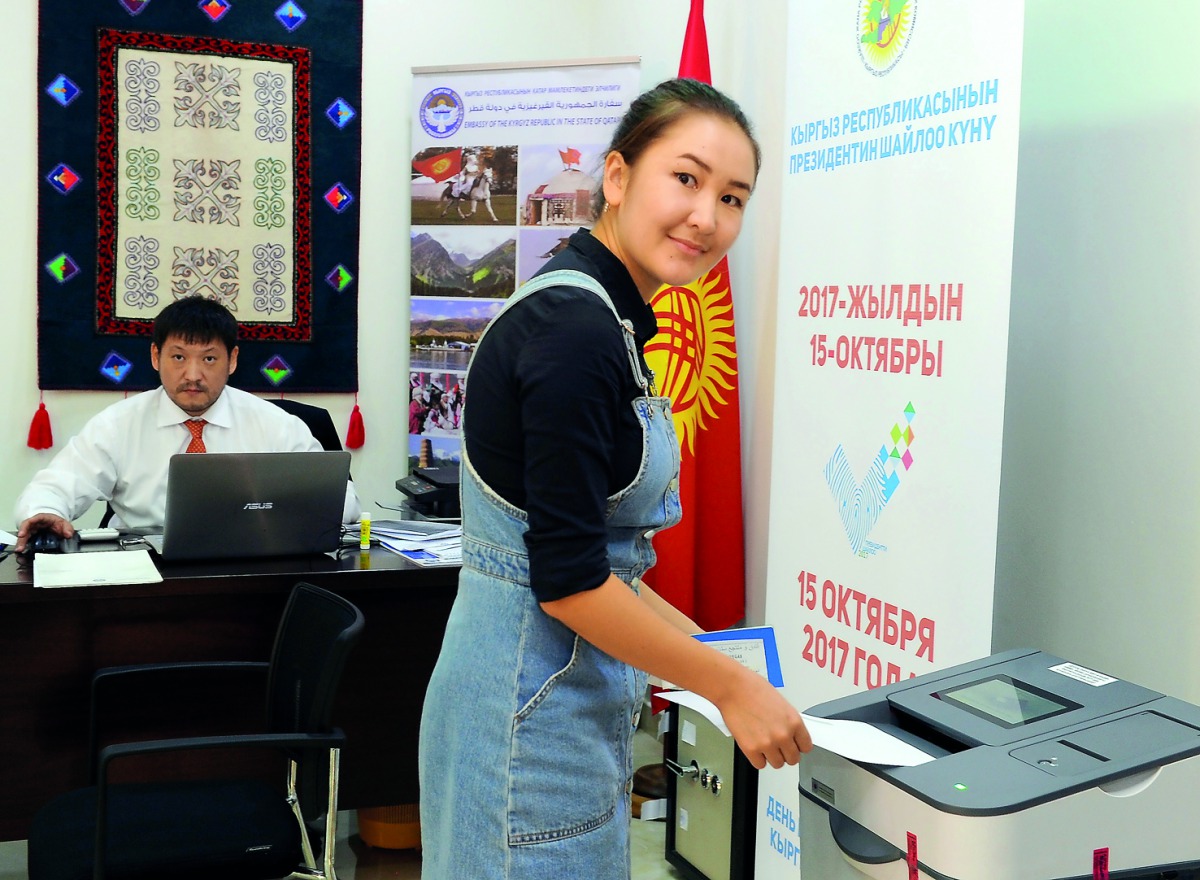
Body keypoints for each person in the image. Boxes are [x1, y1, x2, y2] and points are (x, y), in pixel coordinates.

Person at [418, 78, 812, 880]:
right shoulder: (573, 331)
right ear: (619, 176)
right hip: (528, 722)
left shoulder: (606, 317)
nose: (708, 217)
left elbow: (609, 567)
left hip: (557, 706)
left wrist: (716, 657)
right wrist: (727, 688)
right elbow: (569, 584)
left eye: (734, 197)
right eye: (688, 178)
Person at [13, 296, 360, 552]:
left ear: (233, 360)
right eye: (178, 357)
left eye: (209, 358)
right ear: (155, 356)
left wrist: (278, 506)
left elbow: (343, 503)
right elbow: (56, 486)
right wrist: (45, 512)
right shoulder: (119, 424)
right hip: (144, 571)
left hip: (252, 564)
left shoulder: (275, 424)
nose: (192, 375)